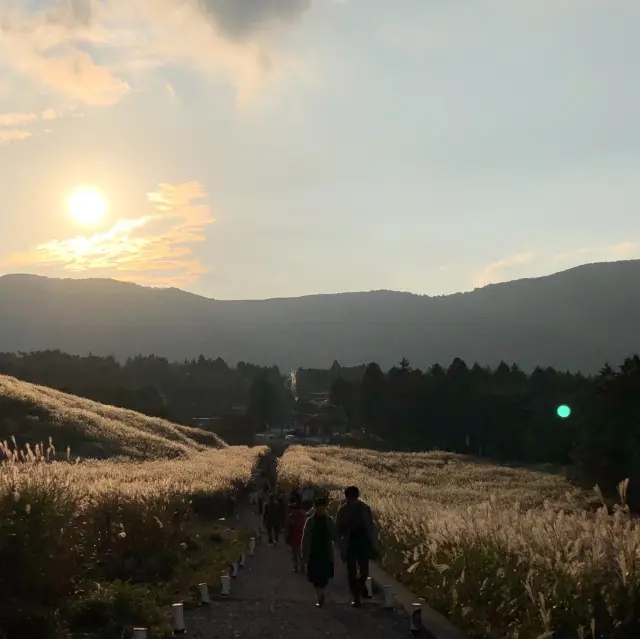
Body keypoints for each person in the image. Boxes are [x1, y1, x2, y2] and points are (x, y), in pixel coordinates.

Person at [336, 485, 379, 607]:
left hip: (363, 542)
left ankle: (358, 591)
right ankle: (356, 597)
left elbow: (370, 527)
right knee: (351, 571)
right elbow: (338, 527)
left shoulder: (364, 508)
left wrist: (373, 544)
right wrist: (339, 542)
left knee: (364, 571)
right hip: (349, 543)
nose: (351, 499)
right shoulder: (343, 510)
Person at [301, 496, 337, 608]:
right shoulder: (310, 521)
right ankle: (319, 596)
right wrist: (304, 553)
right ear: (315, 508)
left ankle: (320, 596)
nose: (321, 510)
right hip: (313, 551)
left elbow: (335, 535)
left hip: (325, 552)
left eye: (323, 508)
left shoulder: (329, 521)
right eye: (319, 508)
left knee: (323, 577)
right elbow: (305, 537)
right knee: (314, 577)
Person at [286, 496, 306, 572]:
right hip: (297, 537)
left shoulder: (297, 517)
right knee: (298, 554)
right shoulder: (299, 516)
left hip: (298, 537)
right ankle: (299, 566)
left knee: (297, 554)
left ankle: (298, 566)